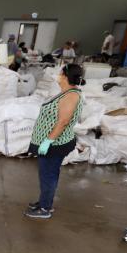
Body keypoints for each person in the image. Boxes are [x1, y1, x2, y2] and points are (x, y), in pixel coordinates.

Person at [24, 63, 84, 220]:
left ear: (65, 76)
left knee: (48, 175)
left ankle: (44, 208)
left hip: (55, 145)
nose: (58, 75)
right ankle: (45, 201)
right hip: (51, 142)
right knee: (49, 174)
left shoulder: (72, 96)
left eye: (60, 73)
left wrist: (48, 141)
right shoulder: (65, 92)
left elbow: (63, 121)